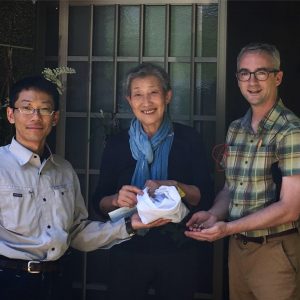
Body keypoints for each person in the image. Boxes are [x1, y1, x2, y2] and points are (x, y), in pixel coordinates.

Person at [0, 74, 170, 300]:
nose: (35, 116)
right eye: (26, 108)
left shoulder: (64, 170)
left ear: (55, 117)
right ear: (11, 114)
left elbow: (77, 232)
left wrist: (129, 225)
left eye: (45, 109)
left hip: (57, 281)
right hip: (9, 281)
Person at [185, 42, 300, 300]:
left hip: (276, 250)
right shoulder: (236, 128)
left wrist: (228, 228)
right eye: (244, 73)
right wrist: (214, 215)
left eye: (261, 72)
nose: (252, 81)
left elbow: (292, 207)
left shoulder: (290, 130)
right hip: (238, 248)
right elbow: (230, 188)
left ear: (278, 77)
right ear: (237, 78)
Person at [93, 63, 214, 300]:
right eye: (138, 94)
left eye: (154, 93)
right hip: (126, 247)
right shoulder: (117, 144)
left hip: (177, 249)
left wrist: (176, 187)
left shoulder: (189, 139)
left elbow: (205, 196)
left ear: (168, 96)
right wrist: (117, 199)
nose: (146, 102)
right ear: (129, 100)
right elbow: (98, 203)